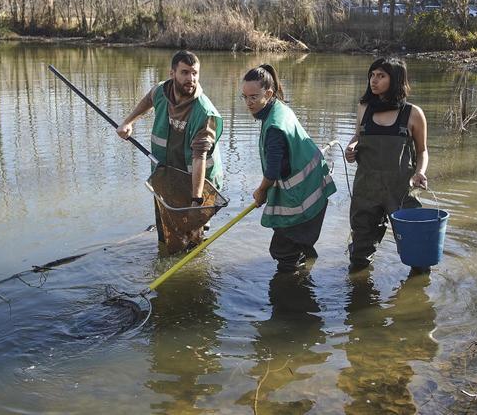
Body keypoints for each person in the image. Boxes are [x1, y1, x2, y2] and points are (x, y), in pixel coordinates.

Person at [117, 50, 223, 251]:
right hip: (168, 173)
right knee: (167, 234)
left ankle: (192, 273)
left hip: (199, 179)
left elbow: (199, 158)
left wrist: (196, 200)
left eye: (194, 73)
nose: (190, 79)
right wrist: (128, 122)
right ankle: (168, 254)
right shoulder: (161, 91)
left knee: (192, 238)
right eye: (184, 72)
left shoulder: (204, 113)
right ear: (172, 73)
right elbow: (149, 99)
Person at [241, 64, 336, 272]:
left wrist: (261, 190)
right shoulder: (279, 108)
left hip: (304, 197)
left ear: (268, 93)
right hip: (312, 187)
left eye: (253, 97)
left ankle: (289, 293)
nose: (248, 103)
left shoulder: (275, 125)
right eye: (245, 97)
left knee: (283, 252)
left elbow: (273, 172)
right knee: (295, 246)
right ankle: (303, 270)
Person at [345, 57, 428, 271]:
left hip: (401, 190)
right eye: (372, 75)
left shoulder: (413, 113)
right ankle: (360, 292)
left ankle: (416, 292)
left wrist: (420, 173)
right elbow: (356, 137)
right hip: (366, 189)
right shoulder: (364, 108)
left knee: (417, 251)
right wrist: (351, 149)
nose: (374, 80)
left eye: (381, 76)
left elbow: (422, 151)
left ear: (397, 79)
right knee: (359, 256)